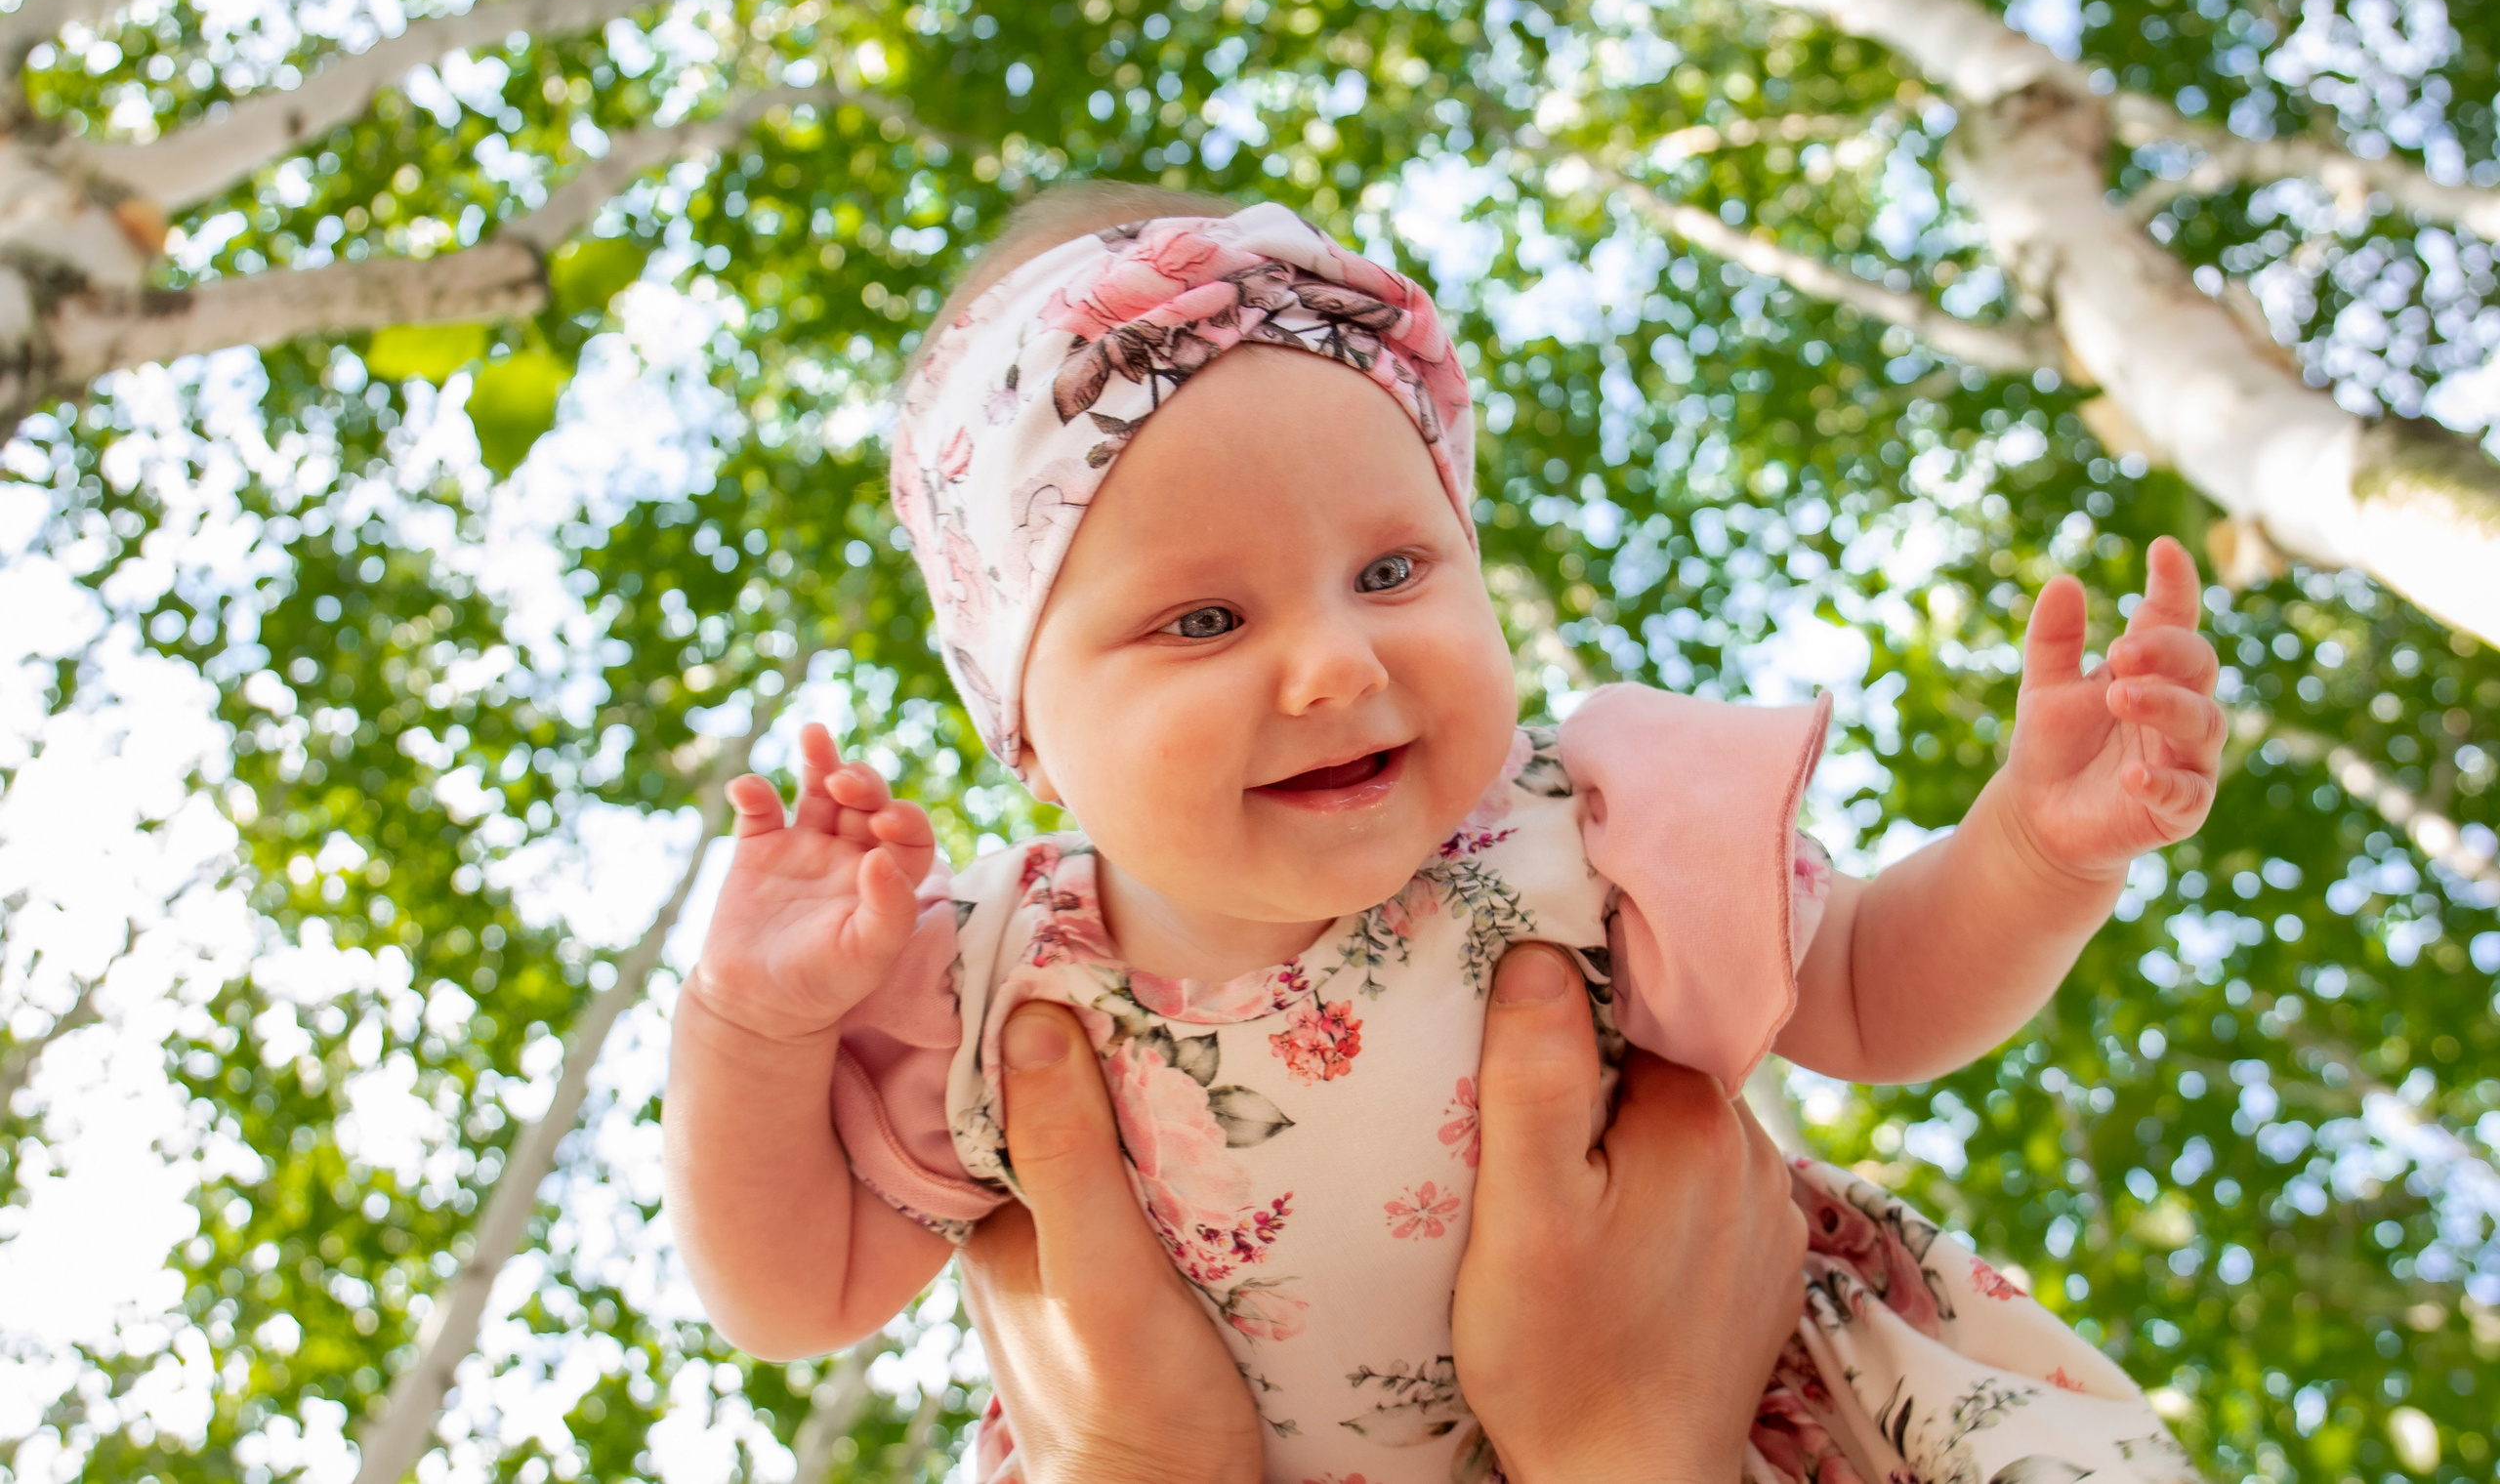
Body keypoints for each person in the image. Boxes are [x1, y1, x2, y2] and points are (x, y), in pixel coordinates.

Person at [664, 186, 2224, 1483]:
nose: (1338, 662)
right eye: (1205, 617)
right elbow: (796, 1291)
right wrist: (750, 1022)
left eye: (1395, 571)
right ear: (1028, 725)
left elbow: (1876, 991)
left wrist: (2038, 849)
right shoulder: (993, 979)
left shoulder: (1587, 824)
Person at [954, 943, 1810, 1484]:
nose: (1341, 669)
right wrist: (1629, 1447)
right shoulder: (993, 943)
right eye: (1204, 637)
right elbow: (824, 1295)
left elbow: (1861, 984)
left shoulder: (1579, 807)